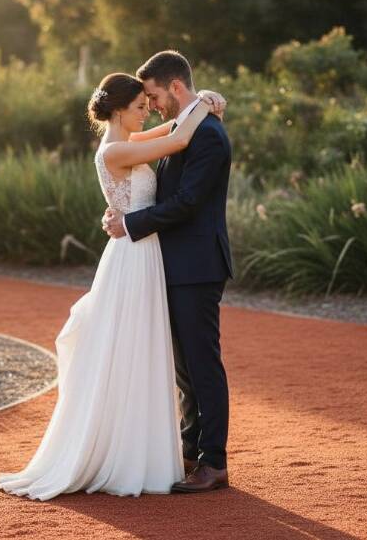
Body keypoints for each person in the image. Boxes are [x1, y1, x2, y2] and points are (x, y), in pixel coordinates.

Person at [0, 69, 227, 500]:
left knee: (151, 352)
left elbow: (171, 129)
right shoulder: (116, 150)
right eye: (140, 106)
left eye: (149, 102)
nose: (148, 110)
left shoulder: (127, 140)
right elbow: (175, 140)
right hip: (134, 257)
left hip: (145, 253)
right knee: (135, 350)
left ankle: (174, 450)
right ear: (120, 110)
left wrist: (201, 101)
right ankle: (128, 450)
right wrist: (204, 105)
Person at [103, 51, 234, 493]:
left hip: (197, 266)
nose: (153, 104)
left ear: (175, 87)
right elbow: (163, 158)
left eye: (155, 96)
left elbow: (188, 204)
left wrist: (130, 223)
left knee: (202, 365)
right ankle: (190, 451)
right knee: (184, 371)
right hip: (171, 264)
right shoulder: (184, 127)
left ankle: (214, 462)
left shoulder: (209, 135)